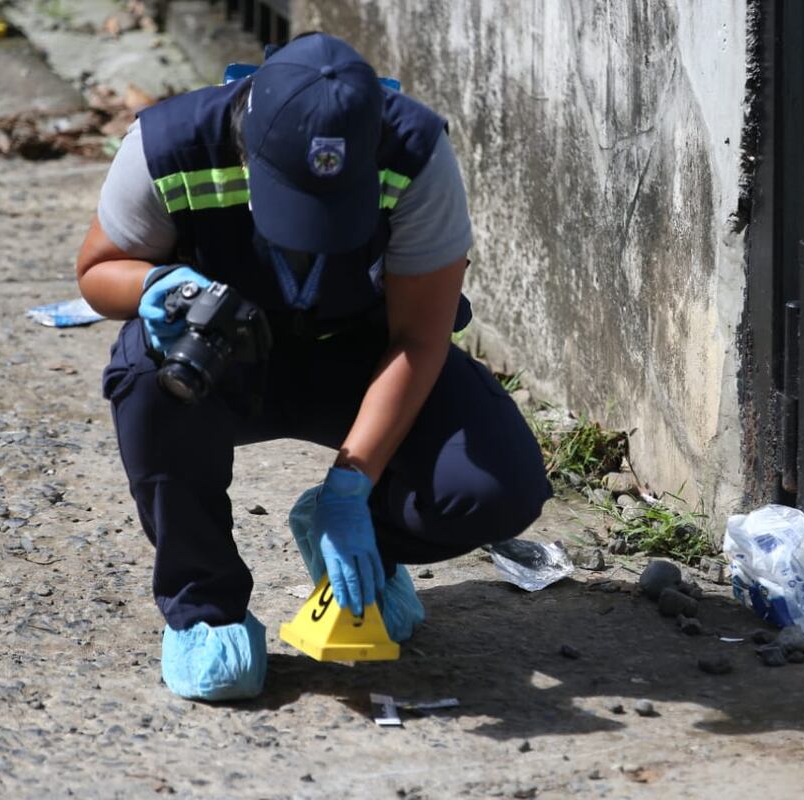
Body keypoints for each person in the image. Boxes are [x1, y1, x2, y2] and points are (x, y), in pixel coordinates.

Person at [75, 32, 551, 701]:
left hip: (360, 361)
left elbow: (420, 336)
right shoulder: (168, 145)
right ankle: (206, 607)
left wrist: (353, 482)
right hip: (223, 365)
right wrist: (152, 286)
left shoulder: (415, 152)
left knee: (494, 485)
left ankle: (362, 549)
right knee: (148, 379)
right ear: (247, 141)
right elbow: (96, 271)